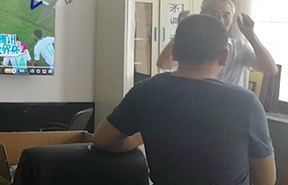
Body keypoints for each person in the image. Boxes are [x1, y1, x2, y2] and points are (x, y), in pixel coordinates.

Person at [93, 14, 275, 185]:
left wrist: (145, 135)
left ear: (174, 53)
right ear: (224, 57)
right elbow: (266, 180)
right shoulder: (245, 102)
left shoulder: (146, 90)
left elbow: (102, 140)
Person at [157, 0, 278, 88]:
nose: (220, 20)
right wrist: (183, 30)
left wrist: (250, 35)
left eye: (226, 15)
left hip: (231, 105)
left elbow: (270, 69)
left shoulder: (240, 48)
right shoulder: (191, 44)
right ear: (202, 15)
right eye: (214, 14)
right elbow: (163, 64)